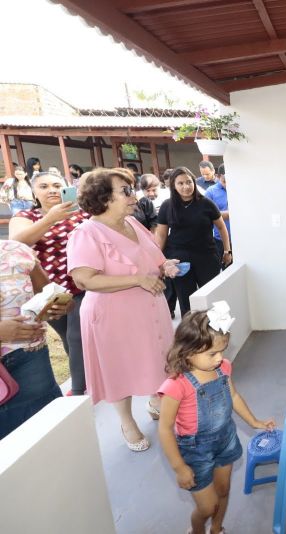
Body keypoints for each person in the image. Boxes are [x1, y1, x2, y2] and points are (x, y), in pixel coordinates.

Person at [67, 167, 180, 451]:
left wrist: (164, 267)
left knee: (158, 357)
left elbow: (154, 259)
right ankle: (127, 421)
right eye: (126, 191)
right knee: (120, 368)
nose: (134, 196)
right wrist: (136, 279)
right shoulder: (86, 233)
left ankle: (156, 400)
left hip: (149, 309)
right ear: (103, 198)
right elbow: (84, 279)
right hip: (112, 316)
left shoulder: (135, 224)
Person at [158, 305, 275, 534]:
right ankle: (198, 529)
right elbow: (164, 429)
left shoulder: (224, 368)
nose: (220, 358)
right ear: (187, 351)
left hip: (226, 439)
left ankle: (217, 529)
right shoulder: (176, 385)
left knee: (223, 490)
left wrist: (254, 421)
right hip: (195, 450)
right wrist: (179, 467)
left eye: (223, 350)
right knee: (207, 506)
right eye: (212, 353)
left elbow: (233, 395)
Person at [9, 170, 90, 396]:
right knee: (68, 338)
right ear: (34, 192)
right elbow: (16, 244)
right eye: (44, 186)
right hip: (47, 291)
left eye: (57, 185)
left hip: (82, 286)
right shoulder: (25, 216)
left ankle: (78, 390)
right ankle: (88, 376)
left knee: (78, 336)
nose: (52, 190)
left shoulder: (81, 214)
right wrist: (50, 219)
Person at [0, 240, 69, 439]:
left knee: (46, 435)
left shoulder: (17, 251)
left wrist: (59, 306)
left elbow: (46, 294)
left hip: (29, 361)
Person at [155, 167, 231, 317]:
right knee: (186, 302)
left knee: (211, 298)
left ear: (194, 183)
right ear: (173, 186)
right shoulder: (167, 206)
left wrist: (227, 251)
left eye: (189, 182)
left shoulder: (206, 204)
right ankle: (191, 337)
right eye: (180, 183)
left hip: (207, 257)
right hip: (179, 260)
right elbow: (162, 235)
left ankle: (215, 334)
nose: (186, 186)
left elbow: (222, 227)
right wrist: (159, 261)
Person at [204, 163, 230, 263]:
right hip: (220, 241)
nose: (228, 184)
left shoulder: (240, 189)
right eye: (225, 181)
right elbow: (207, 215)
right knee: (225, 268)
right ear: (218, 177)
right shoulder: (211, 192)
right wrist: (229, 214)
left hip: (240, 239)